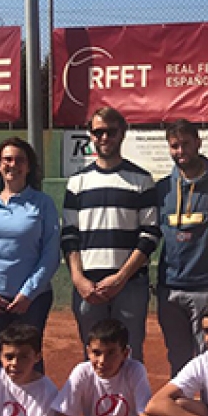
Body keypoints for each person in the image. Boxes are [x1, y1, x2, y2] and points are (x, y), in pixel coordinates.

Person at [61, 106, 161, 363]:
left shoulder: (142, 180)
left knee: (131, 355)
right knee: (93, 357)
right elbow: (69, 236)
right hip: (88, 288)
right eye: (98, 132)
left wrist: (120, 277)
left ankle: (130, 404)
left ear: (122, 133)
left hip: (129, 286)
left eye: (111, 132)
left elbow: (149, 235)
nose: (104, 138)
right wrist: (78, 279)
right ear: (91, 135)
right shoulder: (77, 182)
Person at [0, 136, 60, 374]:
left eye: (19, 160)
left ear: (28, 166)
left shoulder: (43, 203)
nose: (12, 165)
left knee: (30, 357)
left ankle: (36, 411)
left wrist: (28, 293)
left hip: (32, 302)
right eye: (7, 159)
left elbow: (50, 252)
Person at [156, 119, 208, 377]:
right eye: (174, 146)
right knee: (178, 360)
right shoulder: (162, 189)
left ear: (198, 143)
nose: (180, 151)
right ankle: (182, 414)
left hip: (207, 287)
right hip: (169, 289)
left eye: (186, 144)